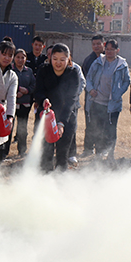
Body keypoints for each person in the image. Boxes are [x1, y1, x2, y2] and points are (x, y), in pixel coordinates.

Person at [34, 43, 79, 172]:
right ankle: (45, 178)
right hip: (46, 116)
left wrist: (61, 123)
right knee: (46, 153)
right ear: (50, 58)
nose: (58, 63)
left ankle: (60, 178)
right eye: (55, 59)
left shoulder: (73, 73)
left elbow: (71, 100)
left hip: (66, 117)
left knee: (62, 154)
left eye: (62, 59)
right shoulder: (43, 70)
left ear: (68, 59)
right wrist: (43, 100)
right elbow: (38, 91)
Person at [85, 38, 130, 160]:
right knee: (98, 129)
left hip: (113, 105)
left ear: (117, 50)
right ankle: (98, 155)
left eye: (112, 49)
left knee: (110, 131)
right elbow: (89, 78)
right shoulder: (98, 62)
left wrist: (118, 93)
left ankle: (110, 155)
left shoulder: (122, 65)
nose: (109, 52)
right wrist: (91, 89)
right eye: (107, 49)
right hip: (97, 102)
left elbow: (127, 81)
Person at [80, 34, 105, 156]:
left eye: (98, 44)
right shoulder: (88, 60)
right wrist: (90, 90)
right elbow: (84, 79)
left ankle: (101, 150)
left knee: (103, 124)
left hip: (105, 98)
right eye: (94, 44)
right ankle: (88, 149)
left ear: (103, 44)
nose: (96, 46)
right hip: (91, 97)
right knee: (90, 123)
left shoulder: (109, 58)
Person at [9, 48, 35, 156]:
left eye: (22, 57)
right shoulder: (10, 70)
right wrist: (16, 91)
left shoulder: (29, 71)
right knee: (9, 127)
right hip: (11, 104)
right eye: (18, 57)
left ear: (26, 58)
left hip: (25, 104)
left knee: (22, 128)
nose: (20, 59)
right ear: (14, 58)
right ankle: (4, 151)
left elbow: (33, 85)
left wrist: (27, 91)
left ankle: (22, 150)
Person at [65, 53, 86, 165]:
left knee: (71, 129)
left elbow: (82, 82)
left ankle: (72, 154)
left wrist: (73, 95)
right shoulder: (55, 68)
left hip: (72, 104)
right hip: (57, 104)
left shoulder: (76, 68)